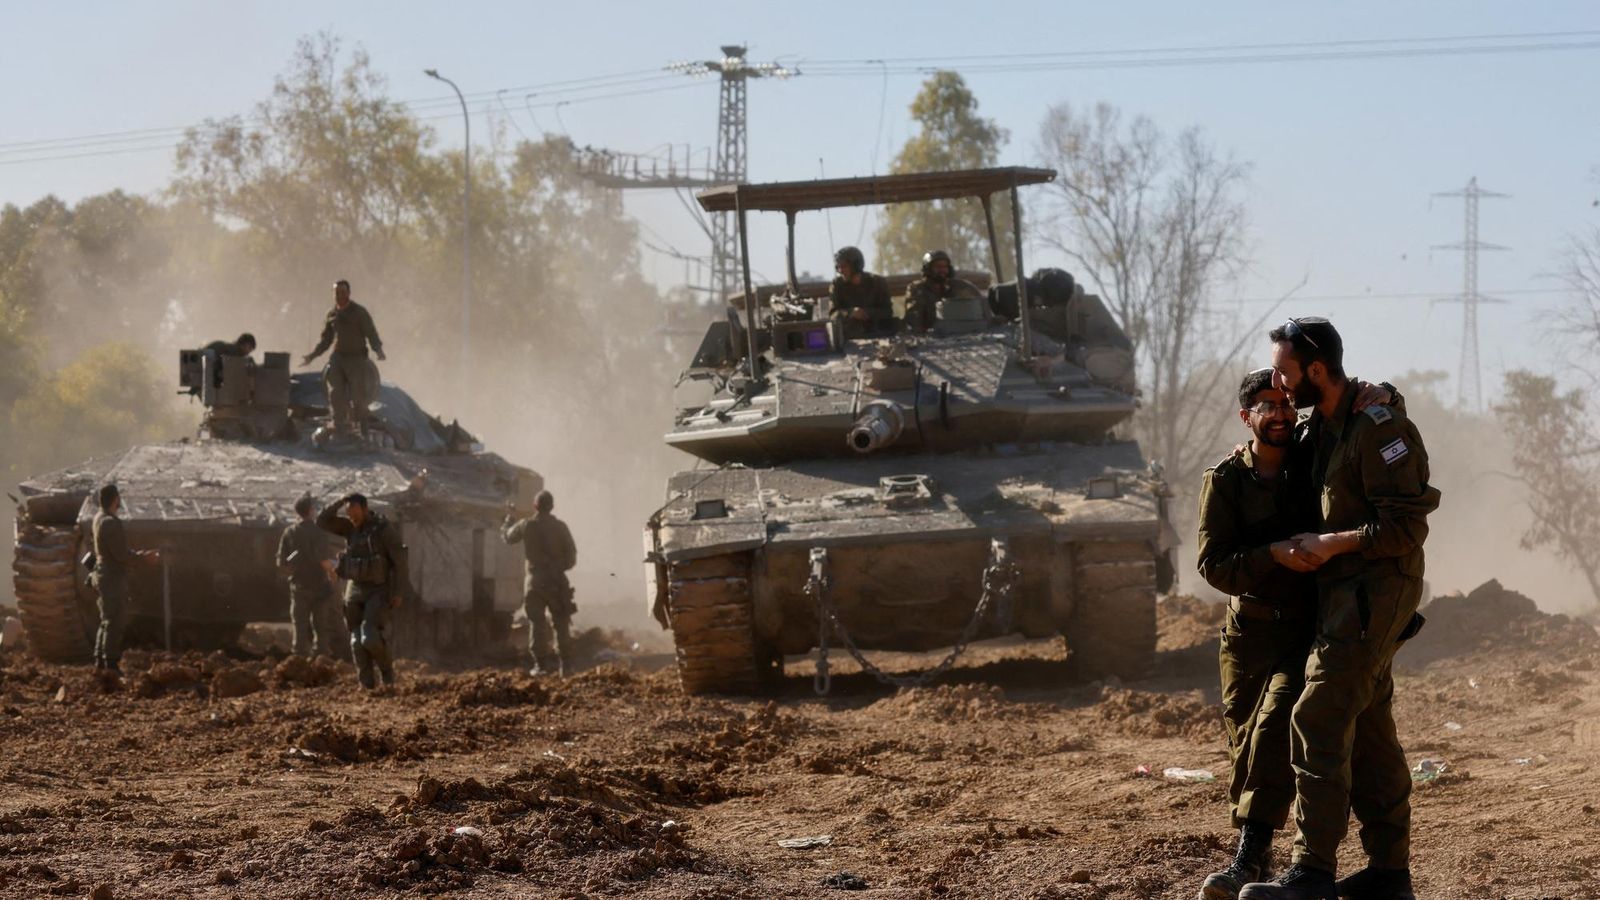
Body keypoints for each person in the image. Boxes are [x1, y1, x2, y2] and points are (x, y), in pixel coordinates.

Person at [1241, 318, 1440, 900]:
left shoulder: (1378, 428)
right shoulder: (1323, 427)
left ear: (1318, 371)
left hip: (1376, 592)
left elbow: (1405, 526)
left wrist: (1333, 543)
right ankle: (1388, 875)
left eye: (1284, 371)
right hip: (1343, 597)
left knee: (1319, 715)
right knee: (1371, 727)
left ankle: (1311, 875)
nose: (1278, 383)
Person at [1194, 369, 1321, 899]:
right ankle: (1259, 844)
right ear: (1247, 418)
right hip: (1247, 633)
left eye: (1287, 404)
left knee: (1274, 728)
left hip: (1304, 629)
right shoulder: (1224, 480)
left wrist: (1389, 395)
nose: (1281, 415)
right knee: (1245, 744)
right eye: (1267, 406)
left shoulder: (1313, 463)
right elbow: (1213, 566)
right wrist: (1271, 555)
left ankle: (1251, 855)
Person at [317, 493, 410, 689]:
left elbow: (400, 562)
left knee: (370, 637)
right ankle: (367, 685)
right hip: (355, 587)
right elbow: (322, 520)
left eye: (355, 513)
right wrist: (341, 502)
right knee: (356, 642)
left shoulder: (382, 530)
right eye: (349, 514)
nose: (352, 518)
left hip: (378, 588)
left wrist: (399, 592)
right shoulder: (350, 528)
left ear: (365, 509)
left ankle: (387, 672)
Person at [502, 490, 577, 677]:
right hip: (557, 580)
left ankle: (540, 665)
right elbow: (571, 557)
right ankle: (565, 666)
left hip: (535, 582)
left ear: (535, 506)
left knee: (537, 623)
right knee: (561, 623)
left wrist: (509, 519)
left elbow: (508, 537)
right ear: (551, 506)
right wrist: (558, 568)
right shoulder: (561, 527)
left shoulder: (526, 525)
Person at [301, 280, 385, 435]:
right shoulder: (332, 314)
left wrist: (378, 349)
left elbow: (370, 332)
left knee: (358, 395)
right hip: (338, 358)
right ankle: (339, 426)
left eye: (343, 292)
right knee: (335, 393)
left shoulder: (359, 312)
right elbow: (326, 340)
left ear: (349, 293)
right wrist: (312, 356)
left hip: (357, 358)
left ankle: (363, 426)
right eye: (337, 293)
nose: (340, 296)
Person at [90, 484, 159, 672]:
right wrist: (143, 557)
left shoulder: (98, 518)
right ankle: (110, 662)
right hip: (111, 575)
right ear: (116, 500)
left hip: (104, 572)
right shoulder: (111, 522)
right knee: (114, 619)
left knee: (106, 619)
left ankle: (100, 659)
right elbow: (121, 555)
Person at [275, 494, 345, 660]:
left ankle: (298, 661)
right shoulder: (318, 533)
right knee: (320, 627)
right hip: (319, 587)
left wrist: (296, 563)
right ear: (311, 511)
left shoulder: (289, 532)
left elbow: (282, 562)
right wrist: (335, 574)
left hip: (299, 587)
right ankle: (321, 660)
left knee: (299, 626)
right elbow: (323, 561)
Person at [904, 249, 985, 332]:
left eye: (945, 267)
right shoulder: (917, 289)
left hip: (958, 333)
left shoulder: (956, 286)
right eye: (937, 267)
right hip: (932, 336)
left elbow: (979, 304)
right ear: (928, 269)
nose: (942, 270)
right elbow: (914, 320)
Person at [827, 246, 895, 338]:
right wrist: (850, 313)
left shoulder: (877, 283)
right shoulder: (837, 286)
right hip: (849, 336)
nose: (840, 271)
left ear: (855, 265)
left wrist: (867, 313)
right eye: (838, 267)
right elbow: (833, 314)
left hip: (878, 333)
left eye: (843, 266)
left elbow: (888, 312)